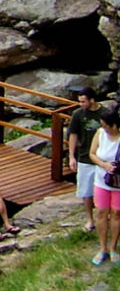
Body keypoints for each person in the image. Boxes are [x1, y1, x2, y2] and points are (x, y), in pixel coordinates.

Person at [69, 86, 104, 232]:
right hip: (84, 156)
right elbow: (73, 134)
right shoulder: (77, 114)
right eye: (79, 101)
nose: (81, 104)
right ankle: (90, 219)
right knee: (86, 191)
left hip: (102, 158)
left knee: (103, 189)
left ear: (92, 100)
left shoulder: (105, 113)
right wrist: (72, 156)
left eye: (83, 101)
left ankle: (103, 216)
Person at [88, 107, 120, 265]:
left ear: (113, 125)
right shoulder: (100, 134)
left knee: (116, 214)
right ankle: (103, 248)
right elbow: (92, 153)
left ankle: (113, 247)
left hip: (118, 183)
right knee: (101, 212)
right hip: (101, 180)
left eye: (105, 125)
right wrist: (104, 165)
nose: (103, 128)